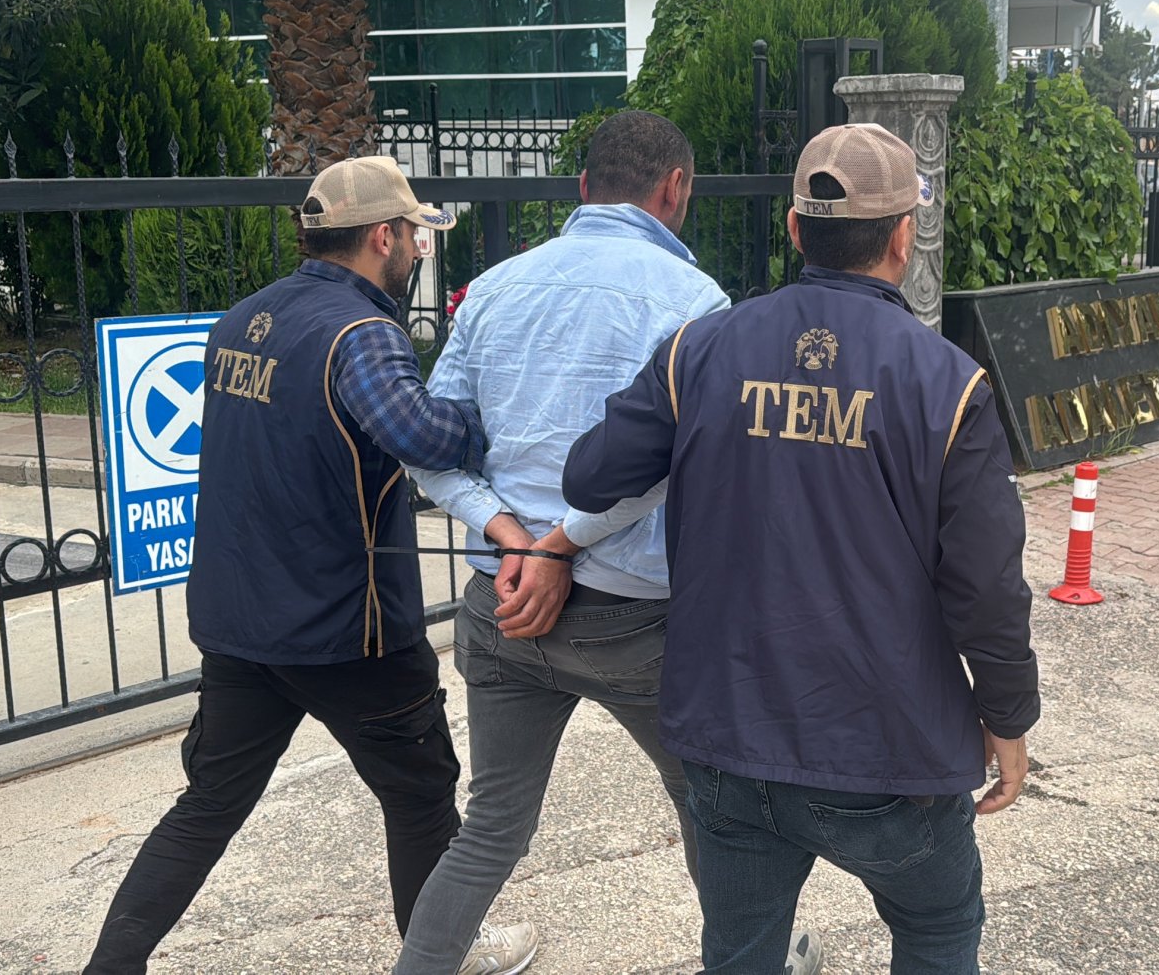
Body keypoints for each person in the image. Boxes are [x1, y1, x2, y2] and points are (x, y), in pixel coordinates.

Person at [562, 124, 1041, 975]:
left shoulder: (699, 349)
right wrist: (1007, 717)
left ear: (793, 229)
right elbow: (985, 589)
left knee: (741, 955)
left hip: (727, 737)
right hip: (888, 749)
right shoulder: (947, 383)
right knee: (935, 930)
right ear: (904, 234)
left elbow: (591, 475)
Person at [397, 111, 823, 975]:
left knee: (490, 830)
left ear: (583, 187)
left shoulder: (493, 287)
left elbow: (429, 448)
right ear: (676, 189)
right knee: (715, 808)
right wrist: (560, 542)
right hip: (633, 620)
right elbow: (668, 467)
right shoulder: (695, 305)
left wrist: (515, 535)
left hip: (502, 603)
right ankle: (758, 963)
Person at [83, 156, 524, 973]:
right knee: (421, 795)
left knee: (209, 803)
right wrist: (481, 415)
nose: (420, 253)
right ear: (383, 236)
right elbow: (421, 435)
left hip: (238, 622)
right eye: (415, 238)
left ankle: (110, 966)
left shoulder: (242, 319)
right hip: (343, 630)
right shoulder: (361, 334)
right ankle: (438, 956)